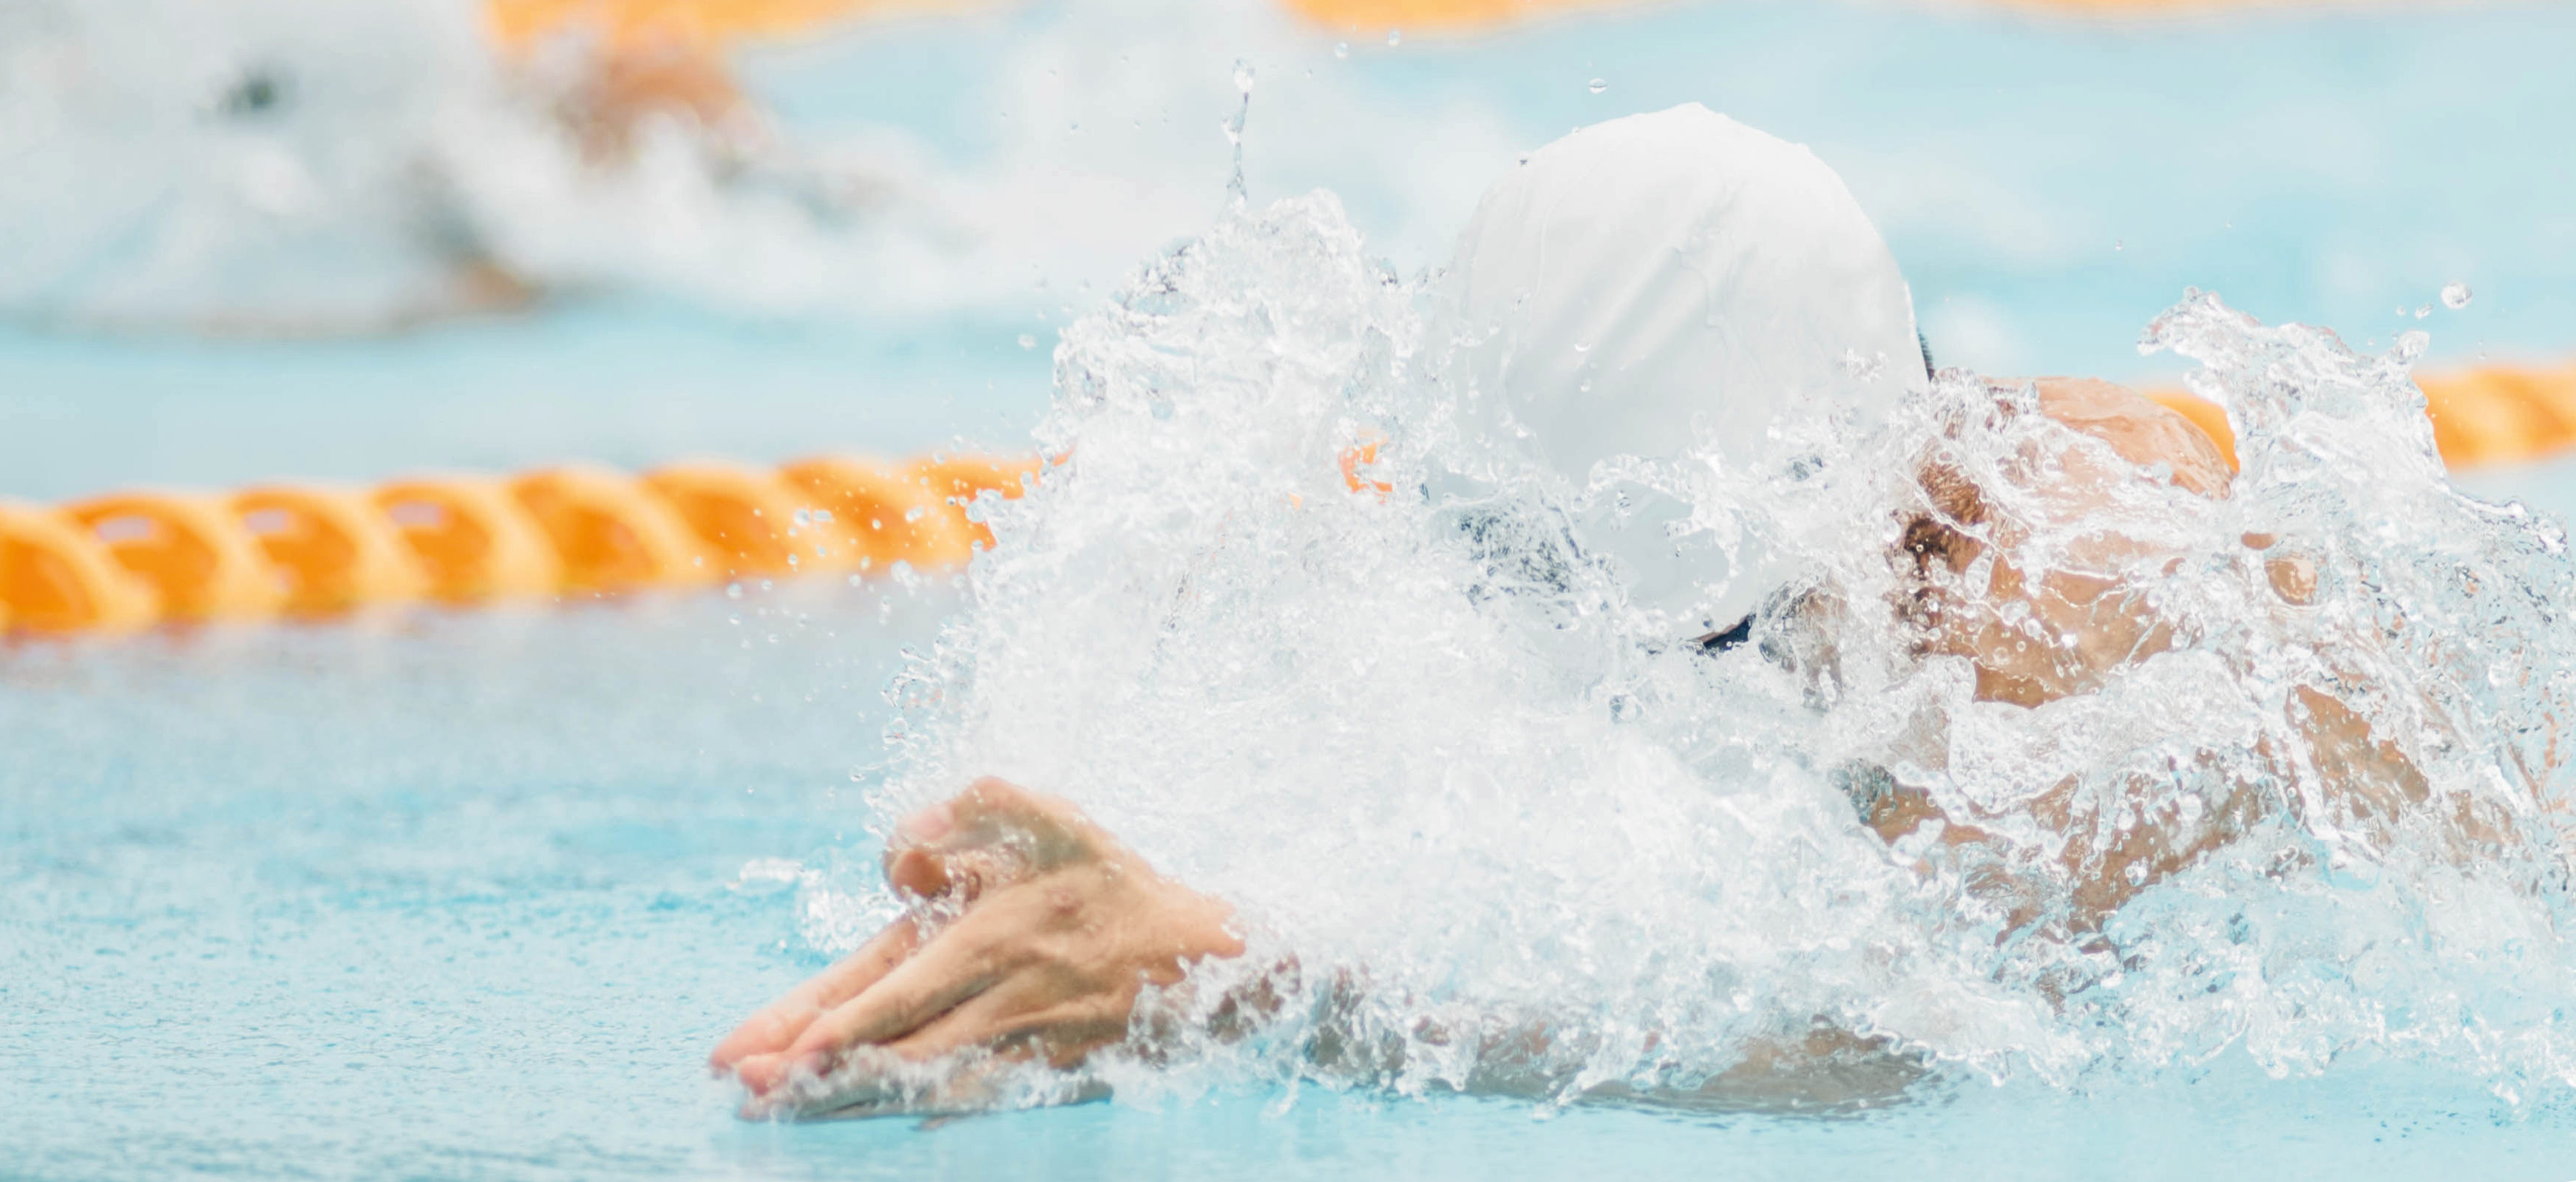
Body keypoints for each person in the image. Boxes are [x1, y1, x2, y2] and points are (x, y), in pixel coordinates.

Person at [707, 106, 2410, 1115]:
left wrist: (1249, 976)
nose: (1614, 672)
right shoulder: (1619, 491)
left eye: (1693, 637)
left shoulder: (2079, 569)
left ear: (1866, 487)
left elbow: (1876, 1035)